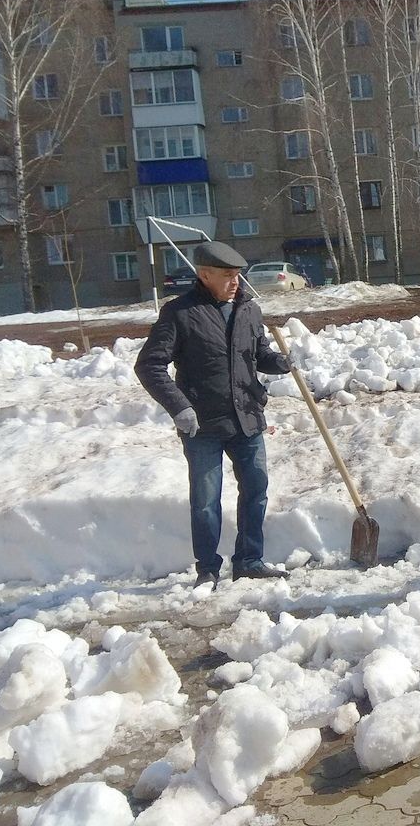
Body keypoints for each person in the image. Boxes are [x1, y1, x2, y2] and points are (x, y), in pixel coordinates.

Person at [135, 241, 293, 588]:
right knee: (206, 501)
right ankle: (207, 569)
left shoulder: (248, 309)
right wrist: (180, 407)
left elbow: (258, 353)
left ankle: (249, 560)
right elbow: (149, 365)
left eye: (237, 275)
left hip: (247, 418)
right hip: (202, 424)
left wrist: (278, 363)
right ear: (204, 275)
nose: (235, 282)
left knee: (256, 490)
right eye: (226, 276)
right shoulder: (179, 313)